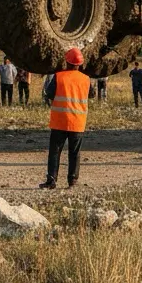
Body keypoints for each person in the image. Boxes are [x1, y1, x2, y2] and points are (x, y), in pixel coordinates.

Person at [40, 48, 90, 189]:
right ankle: (72, 181)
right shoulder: (86, 79)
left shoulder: (59, 76)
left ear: (66, 62)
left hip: (60, 121)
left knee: (55, 152)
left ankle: (51, 180)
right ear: (80, 64)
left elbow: (49, 93)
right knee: (74, 152)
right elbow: (91, 94)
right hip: (78, 122)